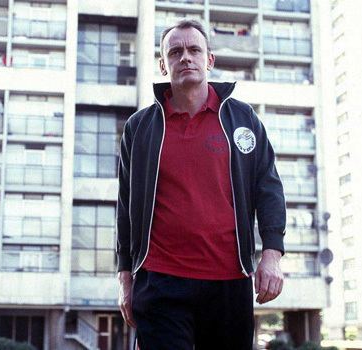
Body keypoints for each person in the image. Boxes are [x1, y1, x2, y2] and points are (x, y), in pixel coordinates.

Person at [116, 19, 286, 350]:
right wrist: (124, 277)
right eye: (175, 52)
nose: (186, 58)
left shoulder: (243, 120)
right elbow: (124, 208)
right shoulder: (139, 128)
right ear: (163, 65)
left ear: (209, 59)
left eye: (194, 50)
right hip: (160, 280)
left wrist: (272, 253)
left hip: (229, 280)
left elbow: (268, 188)